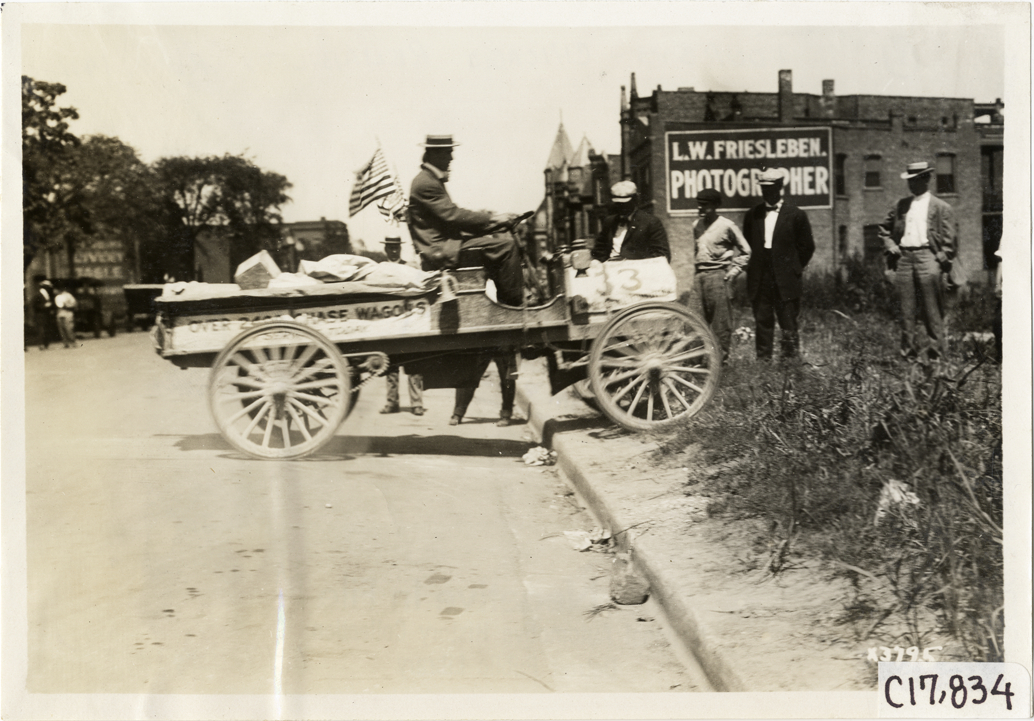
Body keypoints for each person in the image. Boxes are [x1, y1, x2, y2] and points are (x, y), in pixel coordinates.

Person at [408, 135, 522, 306]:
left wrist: (496, 225)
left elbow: (451, 220)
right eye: (448, 152)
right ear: (434, 154)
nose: (451, 158)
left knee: (496, 244)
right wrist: (494, 219)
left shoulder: (429, 180)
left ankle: (505, 303)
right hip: (442, 251)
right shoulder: (426, 183)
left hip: (446, 246)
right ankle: (514, 307)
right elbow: (454, 216)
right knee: (505, 248)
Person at [878, 161, 957, 361]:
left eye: (916, 180)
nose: (912, 184)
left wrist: (942, 257)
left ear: (927, 179)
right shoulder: (901, 205)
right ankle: (908, 357)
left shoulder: (941, 207)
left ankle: (935, 356)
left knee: (932, 309)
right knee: (906, 311)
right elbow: (884, 229)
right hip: (904, 258)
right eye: (910, 180)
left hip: (928, 257)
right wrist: (890, 245)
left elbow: (950, 241)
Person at [742, 168, 815, 361]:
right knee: (762, 321)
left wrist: (794, 268)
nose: (767, 192)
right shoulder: (752, 215)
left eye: (771, 188)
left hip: (786, 278)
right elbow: (748, 244)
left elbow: (807, 246)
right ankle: (763, 364)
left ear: (780, 187)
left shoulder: (796, 215)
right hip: (760, 277)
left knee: (788, 322)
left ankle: (790, 364)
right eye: (764, 188)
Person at [688, 188, 751, 363]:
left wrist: (733, 272)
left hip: (719, 276)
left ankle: (720, 364)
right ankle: (695, 365)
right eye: (699, 205)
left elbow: (746, 251)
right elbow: (697, 252)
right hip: (699, 277)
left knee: (720, 324)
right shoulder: (696, 226)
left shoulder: (727, 225)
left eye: (705, 205)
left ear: (716, 205)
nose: (700, 209)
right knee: (692, 322)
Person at [380, 236, 425, 416]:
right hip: (390, 322)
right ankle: (392, 402)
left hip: (408, 321)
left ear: (400, 248)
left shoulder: (409, 267)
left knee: (414, 365)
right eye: (390, 247)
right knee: (390, 365)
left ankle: (416, 404)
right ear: (386, 249)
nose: (393, 250)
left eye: (396, 247)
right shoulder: (381, 268)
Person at [591, 181, 670, 262]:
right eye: (618, 204)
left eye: (625, 204)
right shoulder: (609, 222)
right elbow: (599, 250)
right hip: (610, 269)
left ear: (635, 200)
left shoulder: (651, 222)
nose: (621, 207)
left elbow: (661, 255)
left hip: (638, 271)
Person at [449, 354, 518, 427]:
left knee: (507, 377)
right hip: (481, 344)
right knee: (468, 374)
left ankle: (506, 414)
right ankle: (458, 413)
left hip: (504, 345)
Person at [32, 279, 57, 350]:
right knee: (41, 329)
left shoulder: (47, 294)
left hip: (46, 315)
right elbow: (34, 305)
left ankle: (46, 344)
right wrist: (44, 306)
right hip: (40, 315)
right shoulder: (38, 294)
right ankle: (41, 344)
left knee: (46, 329)